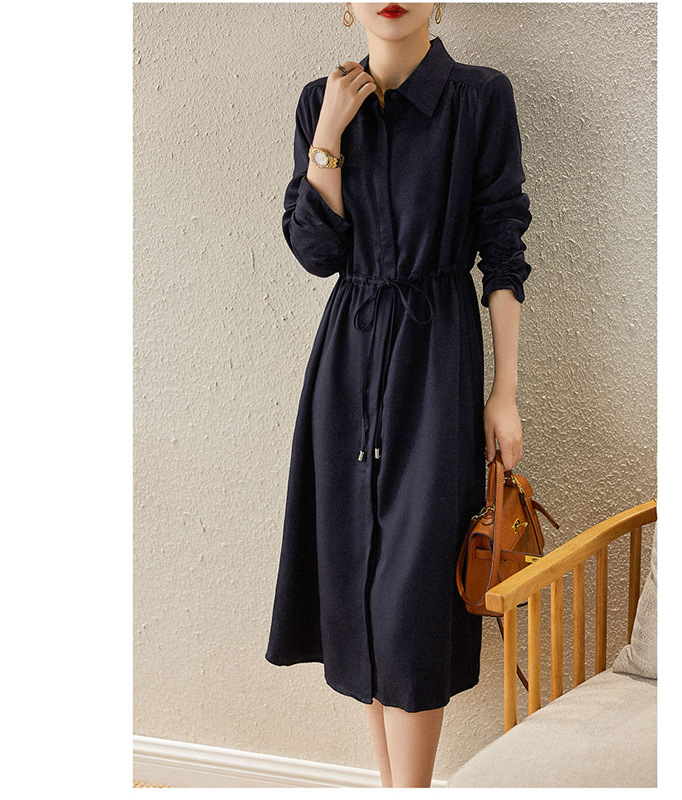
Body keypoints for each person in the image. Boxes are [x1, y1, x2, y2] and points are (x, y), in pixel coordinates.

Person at [265, 2, 532, 788]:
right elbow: (316, 251)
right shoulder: (321, 101)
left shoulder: (479, 97)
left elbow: (503, 248)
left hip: (435, 360)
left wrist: (504, 392)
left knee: (413, 596)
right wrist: (330, 133)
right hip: (346, 364)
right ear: (346, 8)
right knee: (359, 581)